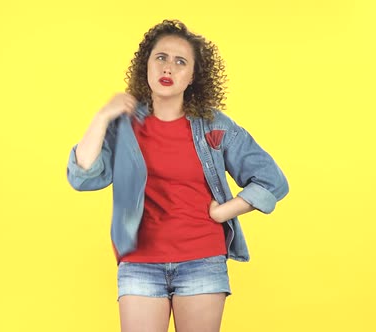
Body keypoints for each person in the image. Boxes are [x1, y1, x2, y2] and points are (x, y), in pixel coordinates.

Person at [67, 19, 289, 332]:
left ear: (193, 76)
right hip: (140, 262)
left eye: (180, 61)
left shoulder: (215, 125)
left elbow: (272, 181)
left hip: (202, 258)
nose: (168, 68)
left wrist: (225, 211)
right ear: (146, 64)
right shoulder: (123, 126)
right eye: (161, 58)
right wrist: (103, 115)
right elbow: (83, 178)